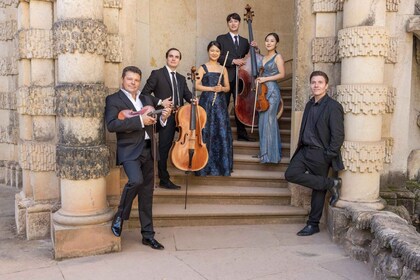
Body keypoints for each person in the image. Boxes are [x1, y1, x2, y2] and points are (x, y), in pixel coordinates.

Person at [105, 66, 172, 250]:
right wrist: (140, 121)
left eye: (136, 80)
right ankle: (120, 215)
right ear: (122, 80)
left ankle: (148, 235)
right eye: (130, 79)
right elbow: (112, 124)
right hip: (129, 150)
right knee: (135, 181)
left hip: (149, 149)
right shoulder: (113, 99)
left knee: (146, 194)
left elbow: (156, 123)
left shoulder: (146, 99)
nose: (133, 83)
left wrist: (163, 117)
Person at [284, 70, 344, 236]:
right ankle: (331, 183)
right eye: (313, 82)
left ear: (326, 86)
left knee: (318, 189)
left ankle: (313, 224)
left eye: (320, 82)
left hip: (320, 153)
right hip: (304, 150)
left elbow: (338, 135)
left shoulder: (333, 106)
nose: (316, 85)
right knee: (291, 174)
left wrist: (328, 154)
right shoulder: (309, 104)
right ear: (310, 85)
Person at [141, 48, 193, 190]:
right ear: (166, 58)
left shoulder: (181, 78)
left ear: (179, 60)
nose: (173, 59)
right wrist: (159, 102)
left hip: (180, 117)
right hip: (166, 116)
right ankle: (164, 179)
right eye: (171, 56)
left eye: (177, 57)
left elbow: (187, 95)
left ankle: (190, 164)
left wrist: (194, 99)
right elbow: (144, 94)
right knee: (164, 148)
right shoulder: (157, 74)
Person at [216, 12, 257, 142]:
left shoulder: (245, 41)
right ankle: (221, 134)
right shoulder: (221, 39)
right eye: (230, 21)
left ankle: (242, 135)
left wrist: (256, 49)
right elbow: (218, 56)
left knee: (240, 106)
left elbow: (252, 58)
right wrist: (233, 61)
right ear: (228, 24)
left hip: (242, 80)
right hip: (227, 78)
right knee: (224, 105)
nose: (233, 24)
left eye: (235, 21)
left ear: (239, 23)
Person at [195, 41, 232, 176]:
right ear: (208, 51)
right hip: (206, 103)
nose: (214, 53)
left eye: (217, 51)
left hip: (220, 104)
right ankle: (204, 166)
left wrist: (221, 88)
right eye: (212, 50)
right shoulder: (202, 68)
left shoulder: (223, 69)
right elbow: (196, 85)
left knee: (220, 131)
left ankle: (221, 167)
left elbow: (228, 88)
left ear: (220, 53)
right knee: (206, 130)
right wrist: (211, 88)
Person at [255, 33, 285, 164]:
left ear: (276, 43)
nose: (269, 43)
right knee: (262, 121)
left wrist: (265, 79)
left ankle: (271, 155)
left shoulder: (278, 57)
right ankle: (264, 153)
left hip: (272, 91)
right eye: (267, 40)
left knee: (270, 120)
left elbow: (282, 74)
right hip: (262, 91)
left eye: (272, 41)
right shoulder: (263, 57)